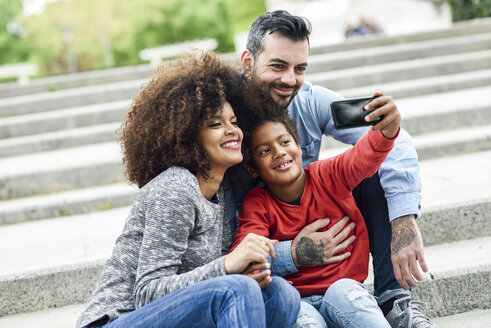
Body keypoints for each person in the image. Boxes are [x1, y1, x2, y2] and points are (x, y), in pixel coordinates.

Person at [233, 10, 435, 328]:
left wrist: (403, 223)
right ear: (248, 62)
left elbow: (394, 142)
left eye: (299, 68)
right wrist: (291, 253)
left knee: (375, 170)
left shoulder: (311, 100)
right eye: (277, 66)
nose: (290, 80)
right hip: (256, 238)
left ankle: (394, 299)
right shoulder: (222, 118)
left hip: (320, 224)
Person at [76, 52, 300, 328]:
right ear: (188, 137)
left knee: (281, 294)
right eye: (216, 124)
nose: (233, 131)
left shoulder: (222, 192)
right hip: (118, 321)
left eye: (234, 121)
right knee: (235, 289)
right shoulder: (176, 188)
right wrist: (228, 266)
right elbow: (147, 294)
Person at [231, 92, 400, 327]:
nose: (279, 152)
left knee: (351, 298)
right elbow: (248, 250)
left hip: (344, 290)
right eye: (265, 151)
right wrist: (285, 257)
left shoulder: (328, 175)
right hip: (298, 301)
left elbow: (363, 156)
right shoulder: (257, 203)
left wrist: (386, 131)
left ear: (299, 146)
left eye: (284, 142)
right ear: (253, 169)